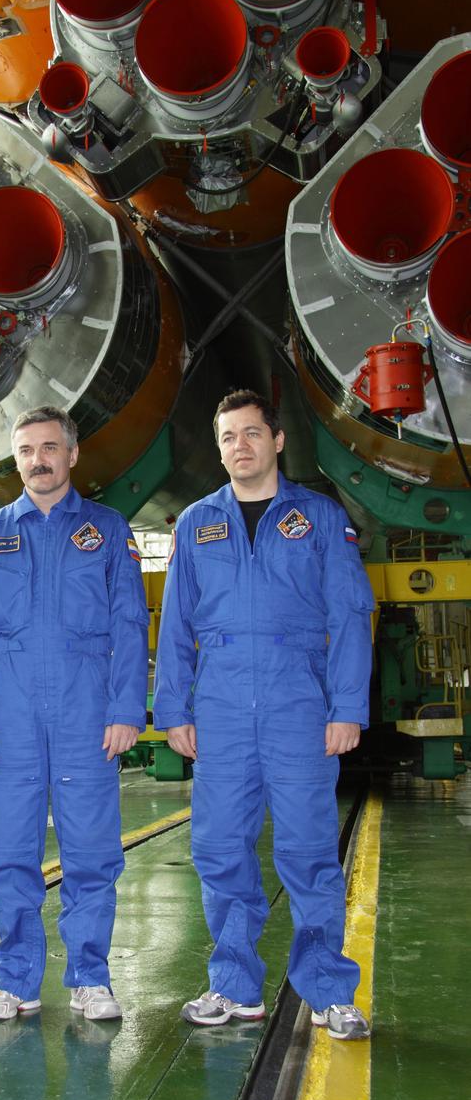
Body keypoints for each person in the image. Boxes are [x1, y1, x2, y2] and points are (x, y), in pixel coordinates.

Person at [153, 390, 374, 1041]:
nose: (239, 446)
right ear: (219, 448)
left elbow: (349, 617)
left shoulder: (320, 519)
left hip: (296, 700)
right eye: (227, 437)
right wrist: (174, 708)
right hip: (219, 703)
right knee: (218, 847)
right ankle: (233, 986)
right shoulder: (196, 524)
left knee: (307, 851)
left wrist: (347, 707)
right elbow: (175, 627)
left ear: (276, 441)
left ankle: (329, 991)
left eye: (251, 433)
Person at [0, 407, 149, 1022]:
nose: (37, 460)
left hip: (86, 713)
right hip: (8, 717)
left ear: (71, 454)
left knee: (91, 852)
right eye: (25, 450)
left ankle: (90, 976)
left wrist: (125, 708)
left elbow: (129, 623)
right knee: (9, 851)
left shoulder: (108, 530)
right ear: (16, 460)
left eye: (48, 447)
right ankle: (16, 980)